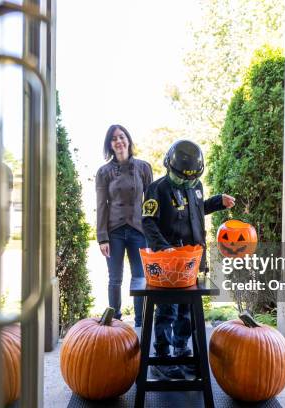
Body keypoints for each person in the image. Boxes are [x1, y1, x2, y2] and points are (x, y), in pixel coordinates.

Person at [142, 140, 235, 380]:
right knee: (167, 310)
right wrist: (164, 249)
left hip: (192, 261)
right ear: (168, 167)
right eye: (182, 178)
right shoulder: (156, 189)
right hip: (167, 262)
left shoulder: (196, 186)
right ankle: (161, 357)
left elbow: (196, 209)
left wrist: (216, 202)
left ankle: (182, 351)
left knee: (185, 309)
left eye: (191, 180)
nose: (186, 183)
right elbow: (148, 222)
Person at [96, 124, 153, 327]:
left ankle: (140, 324)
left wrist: (152, 231)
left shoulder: (144, 167)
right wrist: (102, 237)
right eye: (114, 139)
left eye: (121, 137)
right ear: (110, 145)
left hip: (139, 231)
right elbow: (102, 205)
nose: (118, 141)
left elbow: (150, 204)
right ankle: (115, 322)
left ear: (128, 140)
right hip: (114, 232)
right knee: (115, 279)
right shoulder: (104, 172)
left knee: (140, 279)